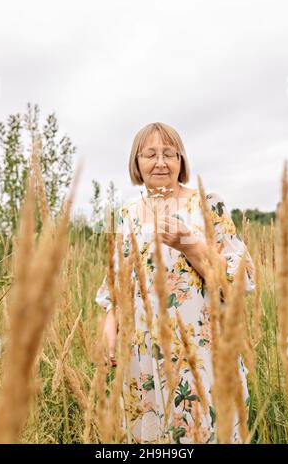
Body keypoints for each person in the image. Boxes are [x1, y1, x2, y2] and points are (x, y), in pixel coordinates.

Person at [95, 122, 255, 444]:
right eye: (150, 154)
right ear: (136, 163)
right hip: (142, 352)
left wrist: (191, 246)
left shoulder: (208, 204)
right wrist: (109, 324)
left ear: (181, 161)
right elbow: (117, 282)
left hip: (201, 348)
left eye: (170, 154)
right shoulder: (125, 213)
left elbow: (240, 279)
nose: (160, 162)